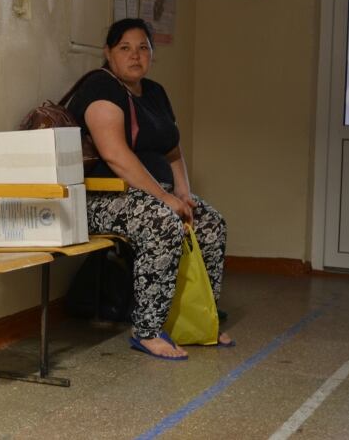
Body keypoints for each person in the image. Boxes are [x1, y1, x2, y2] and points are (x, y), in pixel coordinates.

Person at [68, 18, 232, 360]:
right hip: (102, 197)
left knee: (210, 222)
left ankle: (200, 320)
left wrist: (184, 193)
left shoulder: (155, 92)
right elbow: (115, 155)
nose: (135, 56)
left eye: (143, 48)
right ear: (108, 53)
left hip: (155, 194)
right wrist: (166, 199)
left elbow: (172, 149)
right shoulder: (101, 88)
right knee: (162, 223)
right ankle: (147, 329)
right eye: (125, 48)